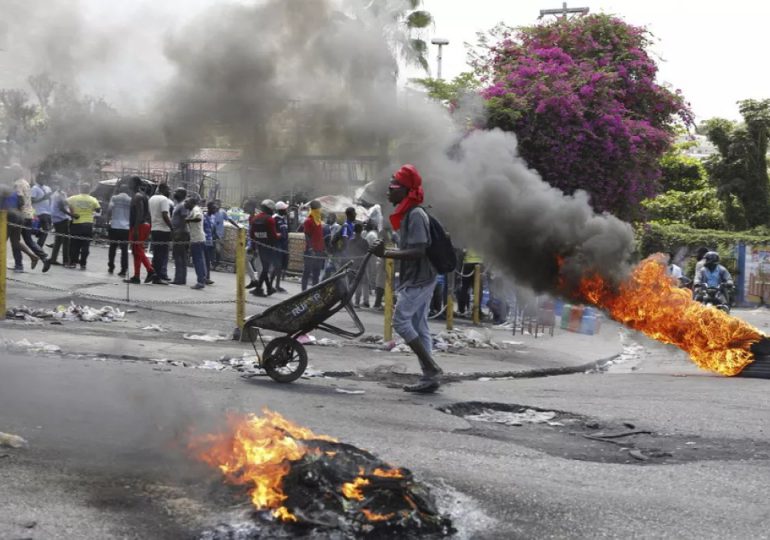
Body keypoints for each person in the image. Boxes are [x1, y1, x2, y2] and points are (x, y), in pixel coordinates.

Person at [370, 164, 442, 393]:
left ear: (405, 190)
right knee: (420, 327)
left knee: (401, 321)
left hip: (421, 278)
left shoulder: (416, 215)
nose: (388, 192)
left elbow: (419, 251)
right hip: (417, 277)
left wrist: (387, 253)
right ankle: (429, 376)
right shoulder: (409, 214)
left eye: (392, 187)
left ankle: (431, 369)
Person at [125, 176, 157, 284]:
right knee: (136, 251)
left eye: (130, 182)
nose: (128, 184)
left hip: (139, 226)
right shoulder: (142, 195)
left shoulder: (138, 196)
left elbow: (140, 212)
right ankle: (137, 276)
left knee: (138, 250)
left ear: (135, 184)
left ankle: (150, 270)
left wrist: (136, 229)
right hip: (142, 225)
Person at [15, 177, 51, 271]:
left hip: (20, 216)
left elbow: (20, 201)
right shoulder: (26, 183)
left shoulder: (18, 184)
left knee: (15, 240)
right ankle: (44, 258)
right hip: (28, 214)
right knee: (28, 240)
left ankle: (19, 265)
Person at [2, 183, 39, 272]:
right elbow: (21, 203)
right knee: (15, 241)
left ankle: (4, 267)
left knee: (2, 241)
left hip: (8, 216)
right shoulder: (13, 190)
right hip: (19, 216)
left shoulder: (2, 188)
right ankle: (32, 257)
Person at [66, 182, 101, 270]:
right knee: (86, 245)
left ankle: (73, 263)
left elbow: (62, 203)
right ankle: (83, 264)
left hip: (77, 223)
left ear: (80, 189)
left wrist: (71, 214)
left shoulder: (74, 198)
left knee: (74, 244)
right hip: (88, 224)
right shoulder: (93, 199)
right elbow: (98, 209)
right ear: (89, 190)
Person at [249, 199, 279, 296]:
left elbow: (252, 235)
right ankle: (258, 288)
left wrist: (253, 247)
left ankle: (269, 288)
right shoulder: (270, 219)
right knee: (265, 268)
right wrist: (280, 235)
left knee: (265, 268)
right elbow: (273, 235)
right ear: (269, 209)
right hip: (269, 247)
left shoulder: (255, 218)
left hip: (260, 246)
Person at [149, 183, 174, 282]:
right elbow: (165, 214)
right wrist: (172, 228)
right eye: (168, 189)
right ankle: (157, 277)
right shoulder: (164, 199)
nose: (169, 191)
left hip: (154, 228)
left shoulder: (151, 199)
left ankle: (153, 273)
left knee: (156, 254)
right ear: (164, 189)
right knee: (162, 254)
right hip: (163, 230)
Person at [106, 183, 131, 276]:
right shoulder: (130, 200)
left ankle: (111, 266)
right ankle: (123, 269)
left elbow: (109, 209)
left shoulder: (114, 198)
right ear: (128, 191)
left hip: (115, 226)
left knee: (112, 248)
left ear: (119, 190)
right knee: (124, 249)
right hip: (126, 228)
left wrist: (108, 221)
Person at [185, 194, 208, 290]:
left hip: (197, 239)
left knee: (198, 261)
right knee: (200, 260)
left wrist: (187, 219)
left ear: (192, 203)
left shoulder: (196, 209)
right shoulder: (194, 209)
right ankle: (202, 279)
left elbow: (198, 218)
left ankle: (200, 282)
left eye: (187, 201)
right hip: (197, 238)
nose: (185, 203)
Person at [49, 179, 73, 267]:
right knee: (66, 240)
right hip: (61, 218)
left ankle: (53, 258)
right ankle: (66, 261)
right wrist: (72, 215)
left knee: (58, 240)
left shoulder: (59, 194)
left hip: (57, 218)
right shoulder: (59, 195)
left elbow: (66, 204)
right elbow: (62, 208)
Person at [301, 200, 325, 291]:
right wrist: (311, 248)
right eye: (318, 208)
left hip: (319, 251)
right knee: (307, 272)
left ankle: (314, 292)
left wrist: (323, 249)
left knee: (316, 273)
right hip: (311, 251)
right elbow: (307, 235)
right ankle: (303, 291)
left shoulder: (318, 220)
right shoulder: (308, 220)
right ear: (314, 209)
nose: (319, 210)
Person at [170, 187, 189, 285]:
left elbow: (184, 219)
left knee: (179, 256)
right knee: (180, 256)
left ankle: (179, 279)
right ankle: (181, 278)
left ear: (182, 194)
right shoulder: (179, 204)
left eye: (177, 191)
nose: (174, 192)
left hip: (180, 234)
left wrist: (179, 232)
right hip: (179, 232)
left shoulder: (182, 205)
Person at [349, 222, 371, 307]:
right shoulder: (364, 241)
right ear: (361, 230)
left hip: (353, 264)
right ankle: (361, 302)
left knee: (354, 283)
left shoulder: (351, 241)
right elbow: (367, 253)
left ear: (354, 230)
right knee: (362, 283)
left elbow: (349, 253)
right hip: (362, 264)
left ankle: (353, 302)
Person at [271, 201, 290, 293]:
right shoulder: (274, 219)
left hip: (284, 245)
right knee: (277, 266)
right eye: (285, 209)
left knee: (281, 266)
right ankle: (270, 284)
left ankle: (277, 285)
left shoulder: (283, 219)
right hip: (277, 245)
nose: (287, 210)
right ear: (281, 210)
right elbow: (272, 232)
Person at [30, 172, 52, 249]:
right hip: (39, 212)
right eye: (41, 178)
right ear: (37, 179)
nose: (43, 179)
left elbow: (49, 199)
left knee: (45, 230)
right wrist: (43, 198)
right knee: (45, 230)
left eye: (44, 178)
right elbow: (31, 201)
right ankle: (39, 248)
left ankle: (37, 238)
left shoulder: (48, 188)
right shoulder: (34, 188)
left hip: (48, 212)